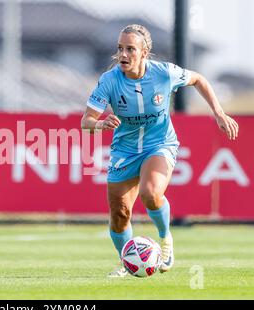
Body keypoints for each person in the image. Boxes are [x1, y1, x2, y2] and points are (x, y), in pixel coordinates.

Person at [81, 24, 239, 277]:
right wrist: (101, 123)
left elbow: (199, 79)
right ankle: (128, 262)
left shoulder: (164, 73)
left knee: (150, 192)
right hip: (125, 150)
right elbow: (85, 121)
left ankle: (166, 241)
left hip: (160, 144)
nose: (123, 54)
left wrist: (219, 113)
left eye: (130, 49)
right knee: (120, 214)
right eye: (120, 48)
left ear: (144, 53)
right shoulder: (109, 80)